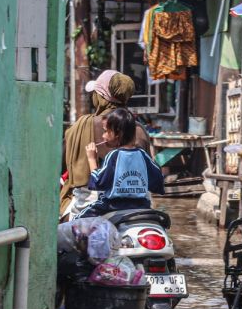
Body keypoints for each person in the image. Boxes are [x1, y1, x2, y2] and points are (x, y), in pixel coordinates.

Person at [61, 69, 151, 219]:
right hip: (137, 203)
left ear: (102, 97)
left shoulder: (81, 126)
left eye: (95, 93)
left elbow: (61, 163)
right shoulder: (140, 130)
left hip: (91, 202)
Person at [82, 108, 164, 216]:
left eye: (106, 131)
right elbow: (158, 180)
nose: (103, 136)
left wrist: (91, 158)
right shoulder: (143, 155)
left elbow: (98, 182)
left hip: (113, 206)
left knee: (79, 218)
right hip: (142, 205)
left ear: (117, 134)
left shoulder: (113, 156)